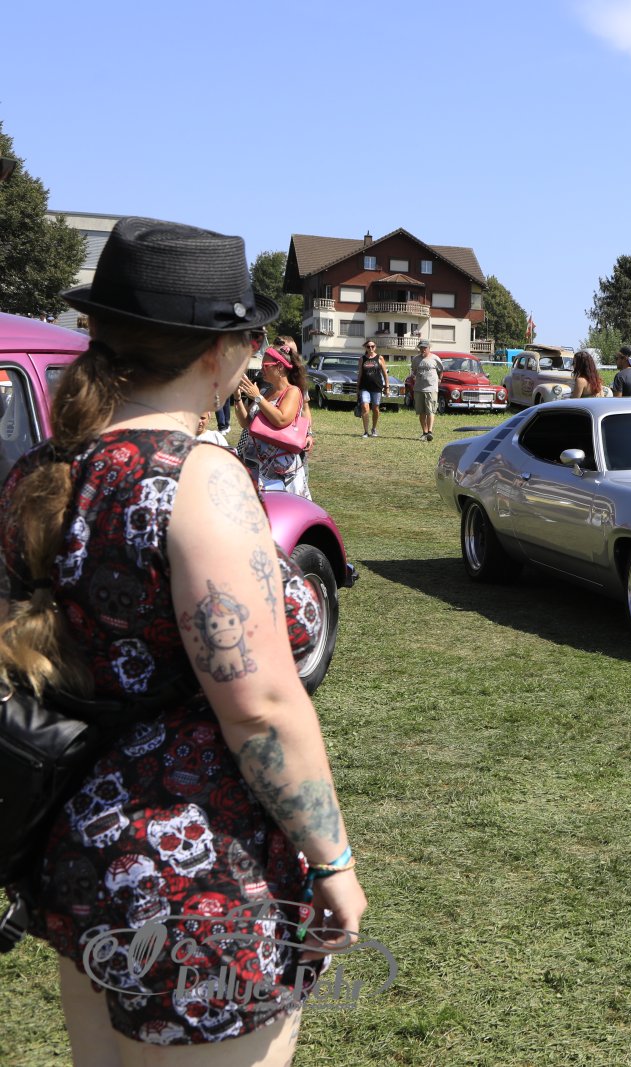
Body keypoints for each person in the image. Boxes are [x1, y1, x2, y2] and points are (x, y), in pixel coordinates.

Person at [0, 216, 365, 1060]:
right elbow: (260, 706)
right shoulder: (197, 478)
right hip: (196, 871)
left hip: (76, 849)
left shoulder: (39, 471)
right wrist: (333, 860)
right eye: (251, 337)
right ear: (218, 349)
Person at [235, 346, 311, 498]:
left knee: (284, 507)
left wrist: (257, 398)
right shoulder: (265, 392)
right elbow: (246, 423)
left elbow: (281, 419)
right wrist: (237, 398)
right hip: (257, 463)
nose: (261, 369)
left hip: (280, 469)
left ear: (280, 367)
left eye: (265, 366)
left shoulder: (292, 391)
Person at [356, 339, 388, 436]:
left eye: (372, 346)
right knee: (365, 407)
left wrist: (387, 387)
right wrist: (357, 388)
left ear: (375, 347)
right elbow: (360, 374)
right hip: (364, 387)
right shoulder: (362, 359)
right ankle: (366, 431)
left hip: (377, 387)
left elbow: (385, 374)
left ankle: (374, 428)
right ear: (365, 348)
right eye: (368, 346)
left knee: (375, 409)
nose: (370, 348)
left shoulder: (380, 358)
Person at [412, 339, 443, 441]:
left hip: (431, 388)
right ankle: (424, 432)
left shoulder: (435, 358)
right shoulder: (416, 359)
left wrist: (439, 380)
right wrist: (414, 376)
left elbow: (441, 371)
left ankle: (430, 432)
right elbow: (414, 371)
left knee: (430, 411)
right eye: (421, 348)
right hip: (419, 388)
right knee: (421, 412)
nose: (423, 349)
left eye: (425, 348)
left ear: (429, 348)